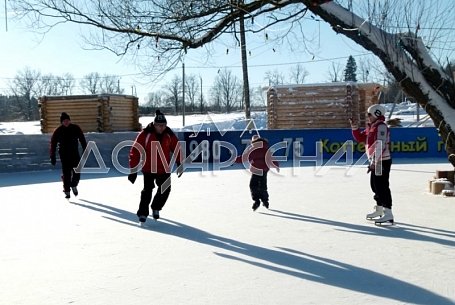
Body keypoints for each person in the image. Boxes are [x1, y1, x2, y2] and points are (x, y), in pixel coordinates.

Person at [128, 110, 183, 223]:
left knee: (165, 190)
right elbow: (135, 151)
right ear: (154, 124)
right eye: (159, 125)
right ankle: (142, 213)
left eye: (164, 125)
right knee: (147, 191)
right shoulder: (145, 134)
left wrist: (180, 163)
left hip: (165, 168)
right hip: (149, 168)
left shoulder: (169, 134)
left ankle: (156, 207)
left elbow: (177, 148)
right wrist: (133, 170)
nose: (162, 128)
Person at [350, 104, 393, 225]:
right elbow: (360, 138)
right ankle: (379, 209)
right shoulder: (372, 127)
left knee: (381, 186)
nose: (368, 117)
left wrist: (374, 162)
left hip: (381, 161)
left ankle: (388, 213)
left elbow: (380, 145)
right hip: (376, 161)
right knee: (375, 185)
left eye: (370, 114)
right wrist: (354, 127)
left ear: (377, 114)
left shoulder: (381, 127)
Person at [235, 135, 280, 211]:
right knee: (263, 185)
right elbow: (271, 158)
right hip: (264, 170)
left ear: (254, 142)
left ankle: (256, 200)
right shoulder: (266, 149)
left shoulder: (253, 150)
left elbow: (245, 157)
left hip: (256, 170)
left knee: (253, 185)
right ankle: (265, 200)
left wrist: (235, 160)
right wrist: (276, 165)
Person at [49, 112, 87, 199]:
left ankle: (74, 185)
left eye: (67, 120)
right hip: (64, 155)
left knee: (77, 171)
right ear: (61, 122)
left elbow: (82, 139)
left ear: (69, 120)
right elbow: (53, 144)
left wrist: (85, 149)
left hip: (74, 154)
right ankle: (67, 190)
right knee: (66, 173)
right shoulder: (58, 131)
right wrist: (52, 156)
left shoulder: (76, 128)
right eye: (64, 121)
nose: (66, 122)